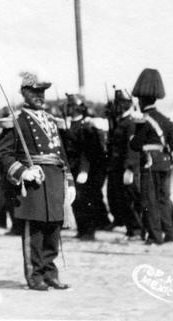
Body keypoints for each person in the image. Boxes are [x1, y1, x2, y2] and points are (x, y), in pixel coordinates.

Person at [0, 71, 75, 291]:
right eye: (35, 91)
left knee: (53, 228)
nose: (40, 95)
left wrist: (69, 181)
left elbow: (61, 155)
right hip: (34, 181)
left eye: (42, 91)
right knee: (36, 230)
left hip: (54, 179)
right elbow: (4, 154)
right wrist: (23, 172)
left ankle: (51, 273)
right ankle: (35, 274)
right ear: (24, 92)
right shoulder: (17, 121)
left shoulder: (51, 120)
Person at [128, 68, 173, 245]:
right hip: (165, 163)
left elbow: (135, 145)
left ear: (142, 100)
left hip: (150, 163)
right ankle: (170, 232)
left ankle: (155, 236)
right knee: (164, 199)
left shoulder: (144, 120)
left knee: (149, 200)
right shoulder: (165, 120)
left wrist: (132, 135)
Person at [66, 94, 110, 240]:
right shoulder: (68, 125)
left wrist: (84, 170)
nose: (69, 108)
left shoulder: (87, 127)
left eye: (72, 106)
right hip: (71, 167)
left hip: (82, 168)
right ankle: (81, 229)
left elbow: (88, 151)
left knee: (85, 200)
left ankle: (89, 231)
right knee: (76, 200)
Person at [109, 90, 144, 239]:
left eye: (119, 103)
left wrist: (129, 168)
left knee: (131, 199)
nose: (117, 106)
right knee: (122, 199)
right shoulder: (121, 121)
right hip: (118, 167)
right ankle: (131, 229)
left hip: (127, 168)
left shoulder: (130, 123)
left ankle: (136, 230)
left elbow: (131, 148)